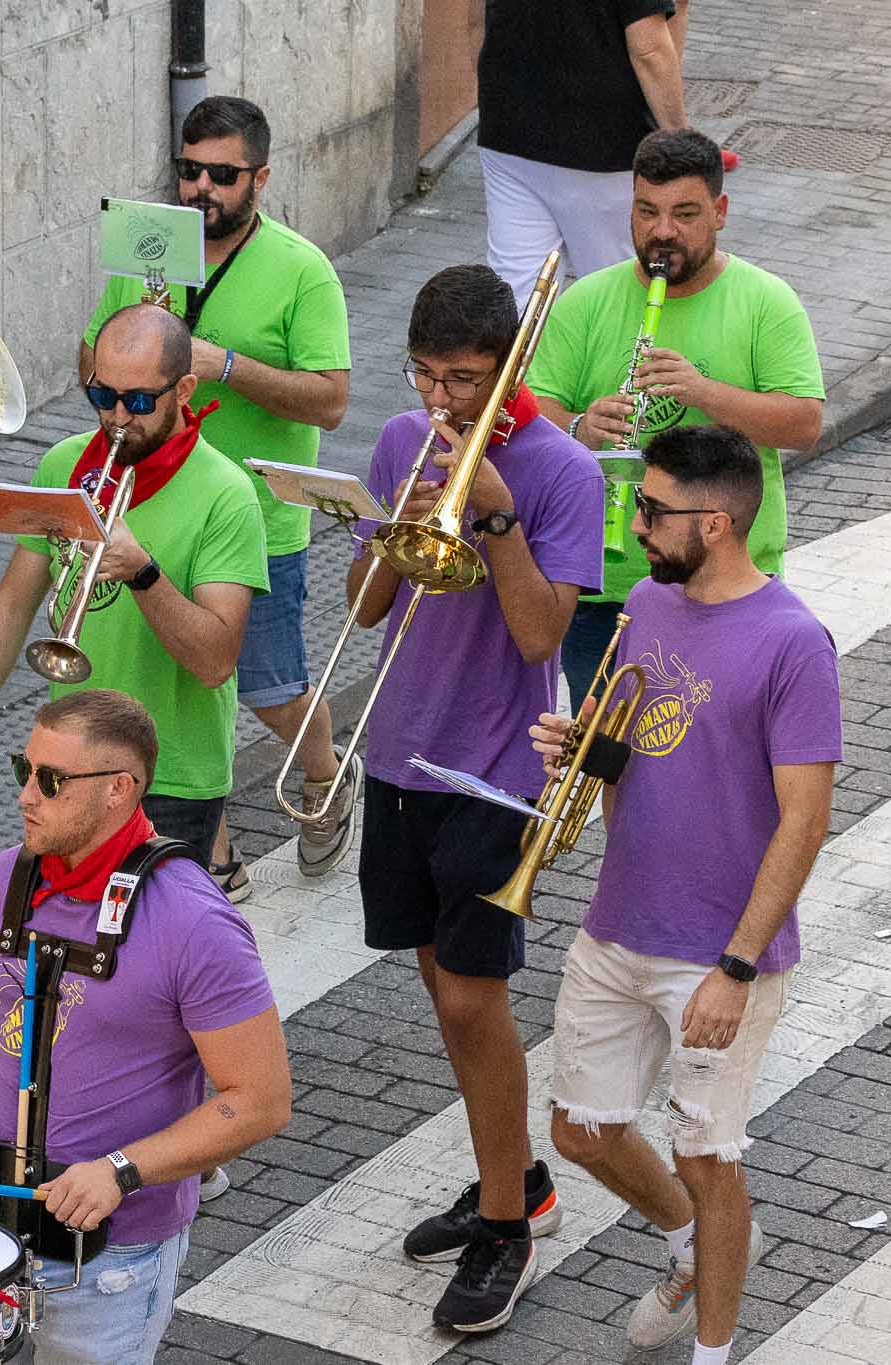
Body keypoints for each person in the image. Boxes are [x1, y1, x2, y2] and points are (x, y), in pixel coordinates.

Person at [530, 426, 838, 1363]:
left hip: (717, 952)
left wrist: (736, 968)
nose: (635, 526)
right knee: (580, 1131)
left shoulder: (794, 642)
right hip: (620, 922)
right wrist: (586, 752)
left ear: (715, 521)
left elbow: (804, 819)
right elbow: (638, 755)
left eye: (653, 512)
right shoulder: (650, 610)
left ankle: (712, 1349)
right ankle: (685, 1244)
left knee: (710, 1158)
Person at [348, 266, 602, 1331]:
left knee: (470, 999)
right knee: (442, 996)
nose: (441, 401)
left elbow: (542, 635)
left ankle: (506, 1226)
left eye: (461, 380)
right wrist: (390, 528)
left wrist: (493, 523)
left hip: (492, 770)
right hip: (398, 756)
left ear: (507, 372)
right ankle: (516, 1179)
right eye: (424, 377)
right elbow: (365, 611)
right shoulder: (403, 442)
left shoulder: (560, 470)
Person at [0, 690, 291, 1365]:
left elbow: (261, 1099)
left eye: (51, 780)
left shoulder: (194, 920)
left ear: (119, 789)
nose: (26, 794)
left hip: (113, 1257)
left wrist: (121, 1170)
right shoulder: (2, 880)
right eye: (25, 768)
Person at [78, 95, 353, 898]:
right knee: (179, 692)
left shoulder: (302, 269)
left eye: (222, 175)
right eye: (188, 169)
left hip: (256, 517)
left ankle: (325, 769)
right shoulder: (149, 252)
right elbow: (95, 358)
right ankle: (217, 856)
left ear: (260, 178)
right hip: (155, 501)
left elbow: (331, 400)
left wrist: (220, 363)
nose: (201, 188)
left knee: (266, 687)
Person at [0, 303, 267, 871]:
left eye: (137, 401)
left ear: (183, 389)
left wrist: (144, 574)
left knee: (138, 952)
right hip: (67, 762)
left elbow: (215, 661)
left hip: (171, 777)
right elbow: (13, 605)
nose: (116, 417)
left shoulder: (225, 495)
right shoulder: (67, 465)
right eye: (101, 395)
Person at [529, 128, 824, 708]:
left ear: (719, 212)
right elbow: (531, 412)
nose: (663, 231)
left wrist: (703, 391)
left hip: (729, 582)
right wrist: (578, 429)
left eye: (684, 213)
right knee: (604, 765)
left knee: (718, 757)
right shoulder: (586, 301)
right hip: (604, 591)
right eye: (647, 212)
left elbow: (803, 424)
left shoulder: (767, 302)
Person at [476, 0, 687, 304]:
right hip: (602, 145)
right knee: (615, 292)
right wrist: (678, 140)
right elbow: (650, 50)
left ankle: (520, 352)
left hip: (508, 133)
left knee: (519, 293)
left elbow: (474, 23)